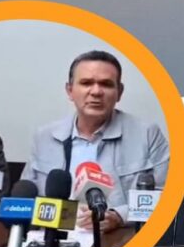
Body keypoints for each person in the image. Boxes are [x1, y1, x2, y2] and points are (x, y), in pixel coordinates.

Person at [21, 50, 169, 232]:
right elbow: (25, 198)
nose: (96, 92)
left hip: (117, 240)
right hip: (55, 238)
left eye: (106, 84)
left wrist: (119, 216)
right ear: (70, 90)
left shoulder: (147, 134)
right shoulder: (44, 137)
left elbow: (166, 196)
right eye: (86, 83)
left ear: (119, 92)